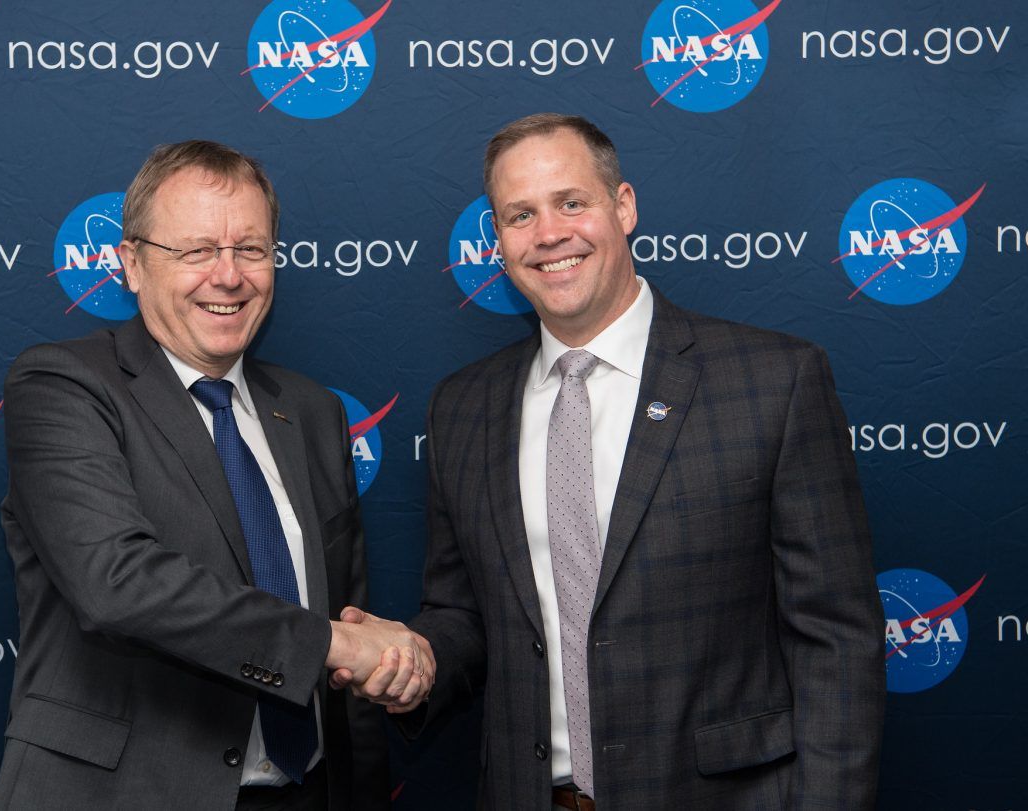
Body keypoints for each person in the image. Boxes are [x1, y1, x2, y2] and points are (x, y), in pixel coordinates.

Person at [343, 114, 885, 809]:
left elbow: (837, 638)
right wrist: (408, 658)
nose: (549, 234)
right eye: (520, 214)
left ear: (622, 207)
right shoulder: (462, 409)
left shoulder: (773, 382)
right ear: (499, 241)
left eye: (572, 202)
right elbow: (467, 617)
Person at [0, 140, 432, 811]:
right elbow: (115, 582)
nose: (228, 276)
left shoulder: (311, 412)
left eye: (250, 249)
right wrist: (334, 642)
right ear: (132, 264)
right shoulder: (63, 384)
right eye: (196, 250)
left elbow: (345, 641)